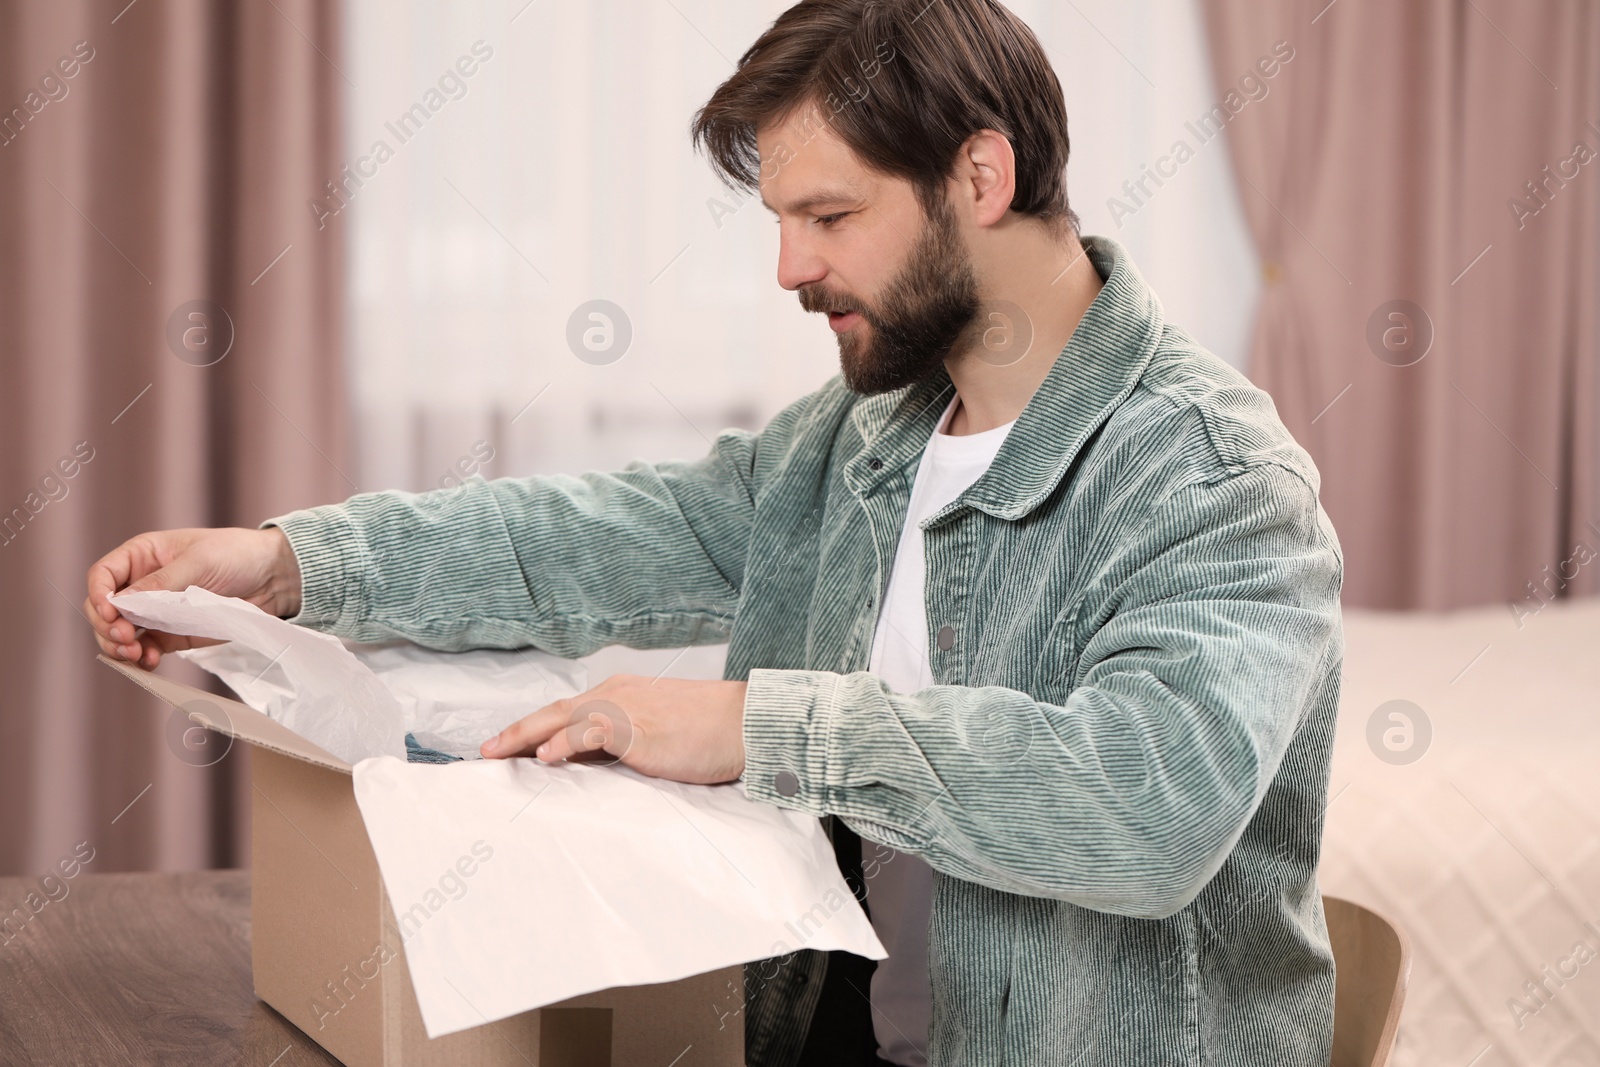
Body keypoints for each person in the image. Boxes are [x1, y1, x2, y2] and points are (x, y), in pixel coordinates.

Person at [84, 1, 1344, 1064]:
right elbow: (594, 537)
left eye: (831, 217)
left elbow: (1148, 805)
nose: (788, 268)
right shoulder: (868, 434)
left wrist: (754, 726)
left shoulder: (1209, 477)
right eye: (779, 221)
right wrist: (293, 562)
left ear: (981, 175)